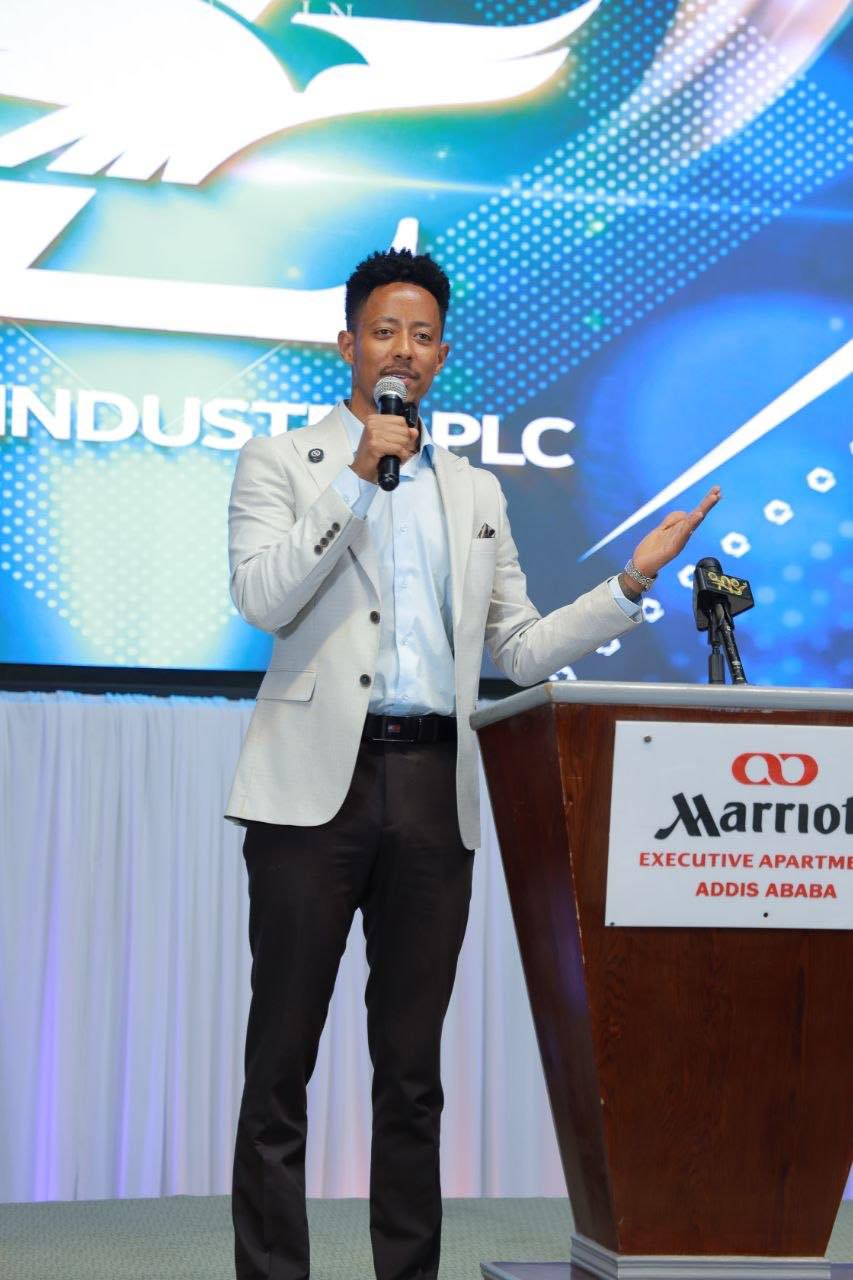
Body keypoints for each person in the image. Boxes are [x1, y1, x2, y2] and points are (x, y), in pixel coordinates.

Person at [225, 248, 720, 1280]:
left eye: (420, 336)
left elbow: (520, 649)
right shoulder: (279, 461)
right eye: (383, 331)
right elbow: (265, 599)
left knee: (411, 1075)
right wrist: (355, 482)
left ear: (441, 356)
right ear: (347, 344)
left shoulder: (475, 489)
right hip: (310, 793)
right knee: (280, 1063)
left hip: (432, 788)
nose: (401, 350)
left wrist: (629, 584)